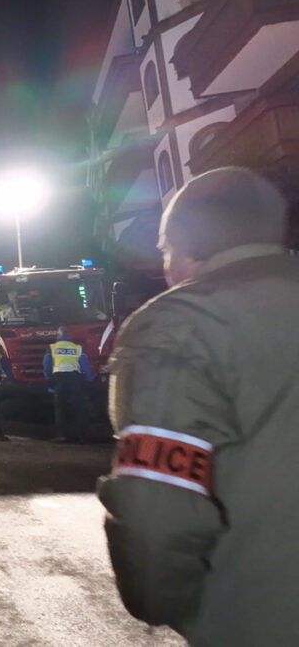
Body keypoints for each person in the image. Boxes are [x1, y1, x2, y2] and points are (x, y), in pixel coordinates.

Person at [99, 167, 299, 644]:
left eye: (166, 250)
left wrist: (155, 599)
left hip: (259, 619)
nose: (167, 266)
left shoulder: (181, 323)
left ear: (186, 243)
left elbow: (157, 509)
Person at [42, 326, 95, 443]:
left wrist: (50, 381)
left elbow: (47, 365)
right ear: (69, 335)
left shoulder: (52, 348)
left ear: (58, 335)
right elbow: (85, 364)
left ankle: (63, 435)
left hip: (59, 378)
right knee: (79, 407)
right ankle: (83, 436)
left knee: (60, 408)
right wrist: (90, 378)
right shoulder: (77, 348)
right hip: (74, 378)